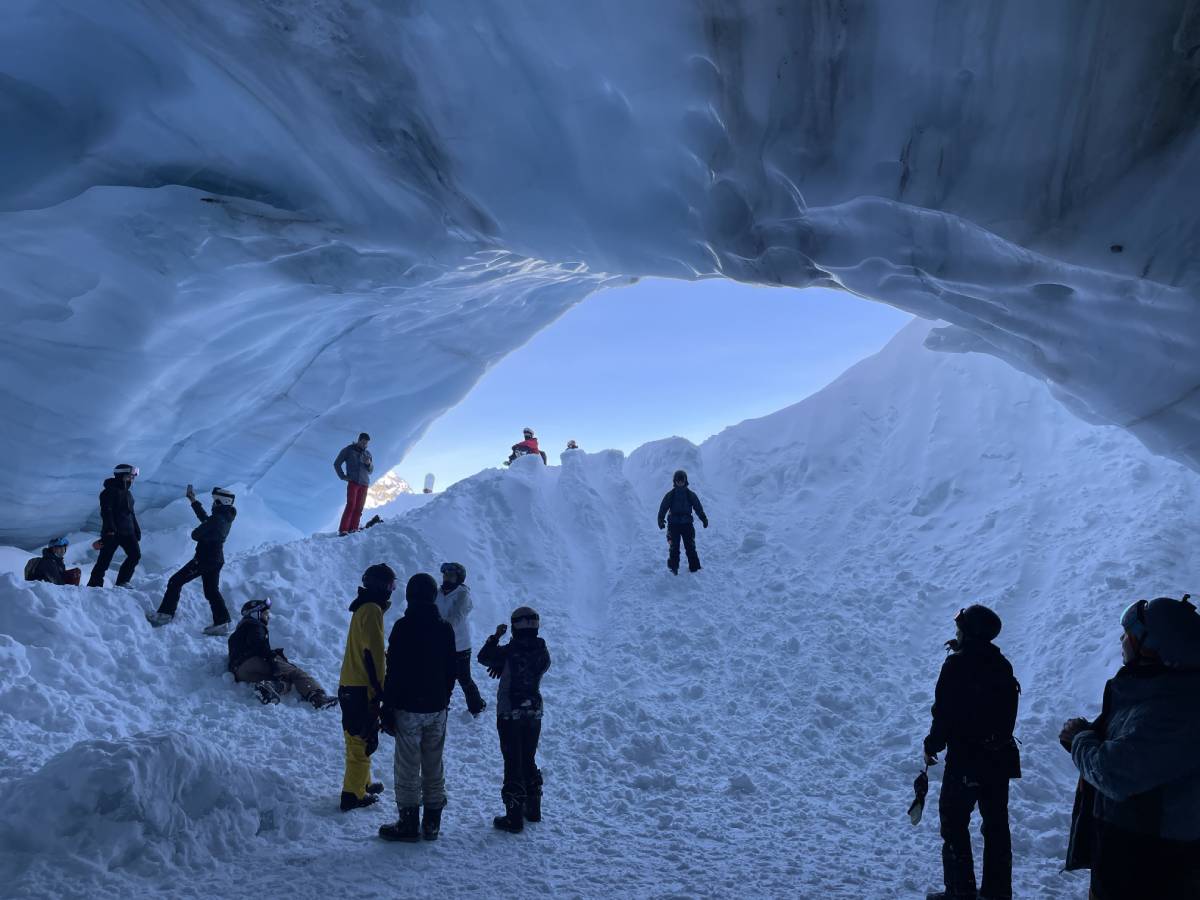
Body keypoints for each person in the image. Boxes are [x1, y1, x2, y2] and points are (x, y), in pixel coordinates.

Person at [1059, 595, 1200, 900]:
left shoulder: (1177, 706)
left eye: (1130, 634)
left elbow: (1116, 773)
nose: (1122, 639)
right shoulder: (1152, 689)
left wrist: (1081, 740)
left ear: (1152, 646)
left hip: (1150, 865)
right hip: (1128, 851)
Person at [922, 605, 1020, 900]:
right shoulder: (1002, 665)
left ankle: (959, 892)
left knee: (954, 824)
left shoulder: (956, 665)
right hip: (999, 761)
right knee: (996, 827)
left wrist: (932, 745)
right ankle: (997, 893)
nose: (956, 632)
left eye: (960, 627)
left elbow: (945, 715)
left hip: (966, 760)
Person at [377, 573, 458, 843]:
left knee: (408, 766)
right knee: (434, 763)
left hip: (409, 708)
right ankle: (432, 824)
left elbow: (395, 671)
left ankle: (408, 823)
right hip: (437, 708)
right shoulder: (445, 627)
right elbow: (451, 670)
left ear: (411, 596)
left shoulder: (403, 627)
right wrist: (444, 698)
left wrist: (388, 707)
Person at [478, 606, 552, 834]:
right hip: (534, 711)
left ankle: (513, 816)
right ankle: (533, 808)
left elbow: (483, 657)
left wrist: (495, 637)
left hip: (510, 711)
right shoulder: (542, 651)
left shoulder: (510, 650)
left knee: (512, 761)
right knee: (528, 757)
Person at [338, 563, 395, 812]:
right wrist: (382, 688)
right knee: (359, 739)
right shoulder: (372, 609)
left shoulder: (364, 607)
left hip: (352, 683)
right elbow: (374, 654)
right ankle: (353, 794)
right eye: (391, 586)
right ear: (384, 587)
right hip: (361, 686)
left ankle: (363, 781)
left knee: (363, 734)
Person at [145, 485, 237, 635]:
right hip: (216, 559)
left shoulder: (218, 519)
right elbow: (206, 520)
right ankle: (222, 623)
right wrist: (193, 501)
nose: (213, 503)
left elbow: (196, 534)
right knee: (212, 591)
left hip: (205, 559)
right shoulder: (225, 516)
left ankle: (165, 615)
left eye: (215, 501)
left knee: (175, 581)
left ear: (222, 501)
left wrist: (202, 532)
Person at [228, 598, 338, 708]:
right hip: (254, 662)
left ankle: (269, 687)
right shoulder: (255, 625)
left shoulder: (236, 634)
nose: (268, 617)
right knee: (295, 673)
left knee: (284, 681)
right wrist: (274, 658)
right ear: (255, 614)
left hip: (240, 672)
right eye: (265, 613)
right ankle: (318, 697)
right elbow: (259, 646)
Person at [435, 562, 486, 717]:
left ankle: (476, 706)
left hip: (460, 645)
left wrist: (435, 625)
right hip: (440, 644)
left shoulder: (462, 594)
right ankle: (440, 706)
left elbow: (456, 617)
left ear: (459, 578)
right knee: (440, 678)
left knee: (463, 678)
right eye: (445, 575)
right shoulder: (437, 593)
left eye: (450, 575)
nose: (446, 578)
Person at [87, 463, 142, 587]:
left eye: (133, 477)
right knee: (104, 561)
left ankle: (122, 582)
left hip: (128, 532)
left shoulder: (128, 494)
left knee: (135, 556)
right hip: (113, 532)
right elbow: (107, 512)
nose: (132, 479)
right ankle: (94, 585)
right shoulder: (108, 492)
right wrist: (110, 530)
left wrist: (136, 529)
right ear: (120, 475)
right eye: (129, 476)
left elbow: (131, 514)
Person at [656, 470, 708, 575]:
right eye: (678, 481)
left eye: (682, 480)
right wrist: (660, 520)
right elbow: (663, 508)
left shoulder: (690, 495)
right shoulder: (670, 495)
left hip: (687, 524)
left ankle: (695, 568)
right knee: (674, 547)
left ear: (685, 481)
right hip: (673, 525)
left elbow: (698, 507)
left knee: (690, 546)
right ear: (675, 481)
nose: (680, 482)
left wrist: (703, 518)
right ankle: (673, 568)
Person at [334, 432, 374, 536]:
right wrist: (343, 476)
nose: (365, 445)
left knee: (359, 507)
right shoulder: (348, 450)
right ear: (359, 440)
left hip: (364, 484)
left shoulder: (368, 454)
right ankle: (343, 530)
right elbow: (337, 463)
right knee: (351, 505)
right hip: (353, 482)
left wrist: (368, 464)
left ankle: (354, 529)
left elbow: (370, 471)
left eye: (366, 443)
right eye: (363, 442)